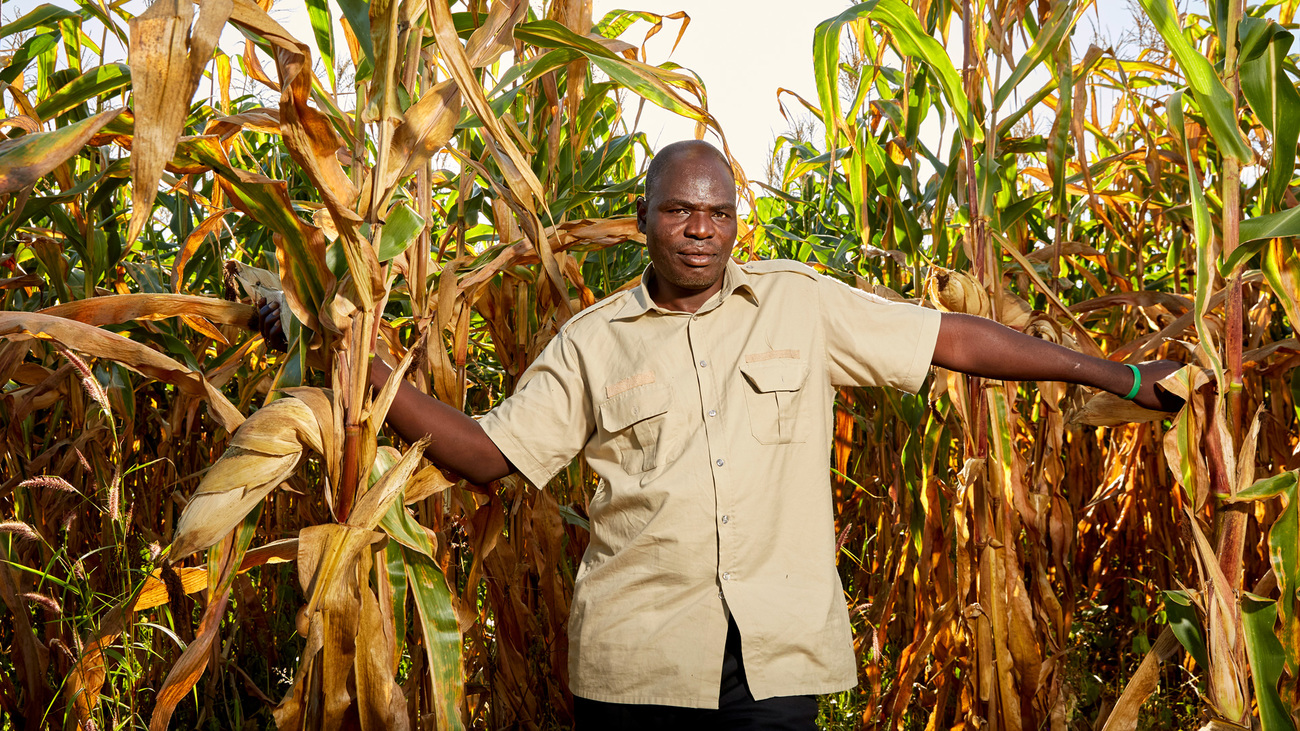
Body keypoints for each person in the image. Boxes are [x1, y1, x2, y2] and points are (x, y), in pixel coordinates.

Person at [256, 140, 1183, 730]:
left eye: (719, 212)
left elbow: (951, 338)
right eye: (679, 210)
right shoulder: (591, 343)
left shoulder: (798, 301)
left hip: (775, 661)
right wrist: (357, 366)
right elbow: (487, 453)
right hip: (638, 666)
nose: (701, 231)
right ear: (642, 220)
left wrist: (1115, 373)